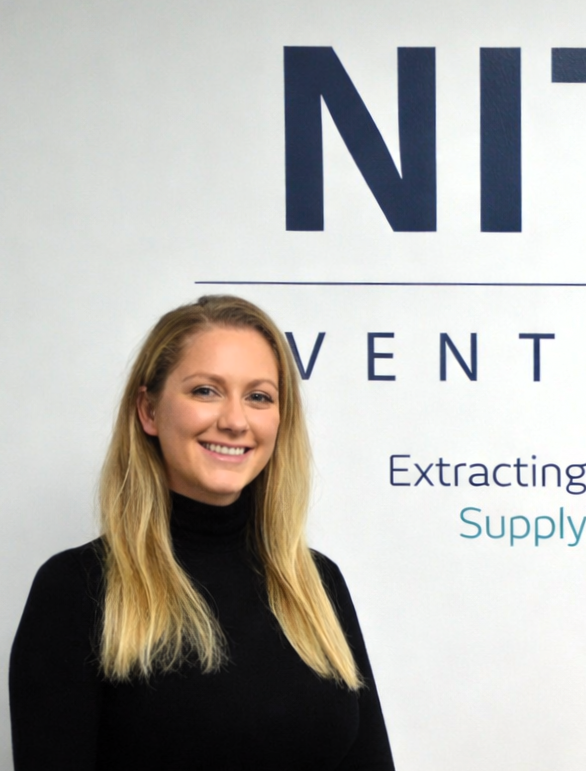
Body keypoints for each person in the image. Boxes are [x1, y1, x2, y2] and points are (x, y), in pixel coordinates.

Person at [9, 295, 395, 770]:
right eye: (206, 391)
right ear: (148, 411)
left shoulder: (317, 583)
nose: (234, 421)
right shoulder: (76, 588)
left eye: (259, 397)